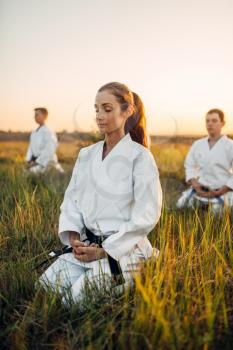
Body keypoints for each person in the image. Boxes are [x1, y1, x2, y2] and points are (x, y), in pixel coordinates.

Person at [39, 82, 162, 304]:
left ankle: (143, 266)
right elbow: (71, 200)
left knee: (74, 302)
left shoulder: (140, 157)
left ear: (127, 111)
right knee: (45, 289)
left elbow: (147, 214)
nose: (99, 115)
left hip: (123, 251)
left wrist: (106, 250)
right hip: (87, 245)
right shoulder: (86, 154)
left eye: (107, 109)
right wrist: (75, 237)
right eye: (96, 109)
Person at [177, 109, 233, 214]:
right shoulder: (198, 144)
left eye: (214, 120)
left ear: (222, 123)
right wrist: (195, 184)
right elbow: (189, 165)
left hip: (222, 190)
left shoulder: (230, 145)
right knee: (181, 204)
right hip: (200, 189)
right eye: (207, 121)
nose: (210, 124)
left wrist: (223, 190)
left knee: (216, 214)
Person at [25, 107, 64, 174]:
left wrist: (37, 161)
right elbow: (30, 148)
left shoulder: (48, 132)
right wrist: (29, 160)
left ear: (45, 116)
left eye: (37, 115)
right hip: (35, 161)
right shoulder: (34, 132)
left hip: (47, 162)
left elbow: (50, 149)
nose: (34, 117)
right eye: (34, 115)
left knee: (31, 173)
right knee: (26, 172)